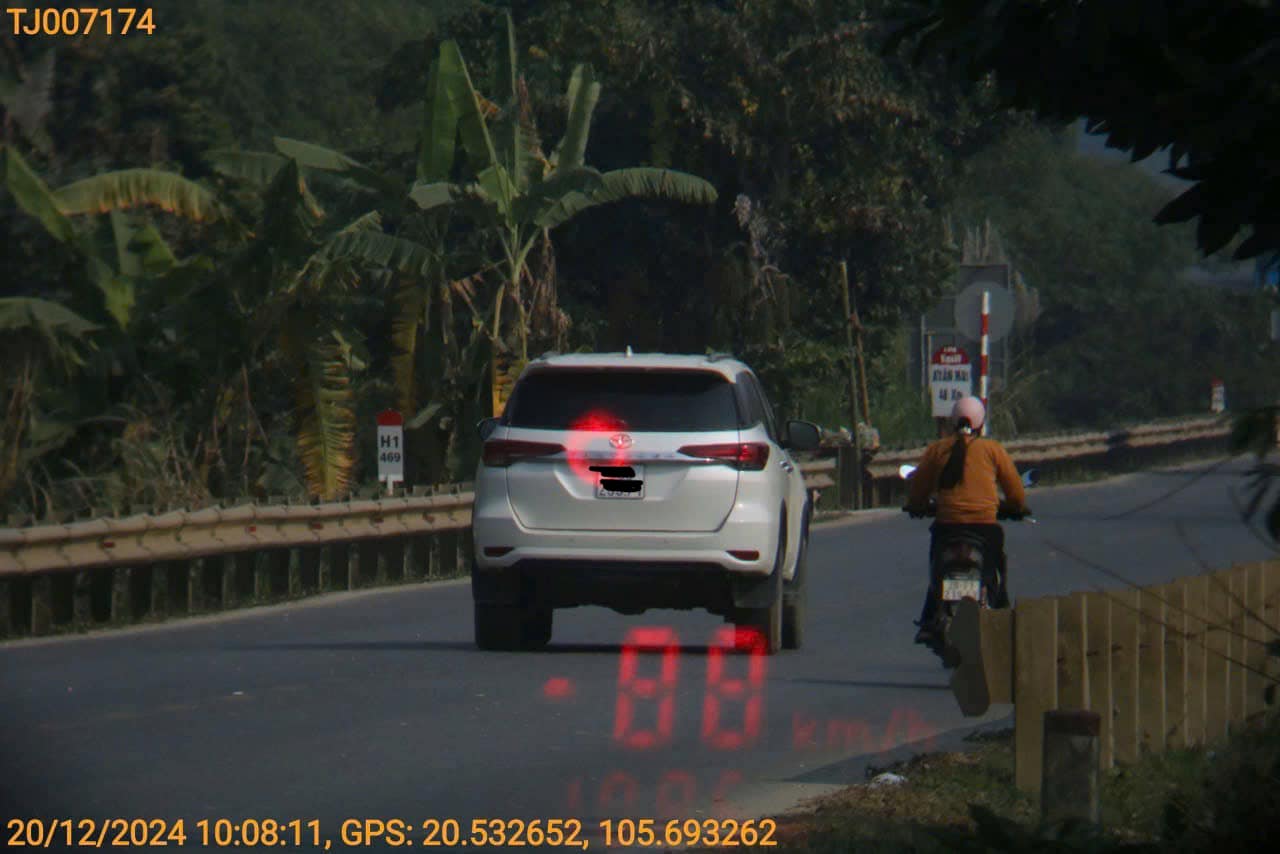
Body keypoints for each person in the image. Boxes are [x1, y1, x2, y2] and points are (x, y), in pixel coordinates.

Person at [904, 396, 1029, 645]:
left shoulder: (937, 450)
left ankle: (930, 617)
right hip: (984, 529)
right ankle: (1000, 606)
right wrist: (1016, 507)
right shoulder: (992, 450)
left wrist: (917, 506)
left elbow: (918, 489)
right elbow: (1015, 491)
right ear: (981, 425)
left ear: (952, 422)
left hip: (947, 529)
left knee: (936, 570)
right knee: (994, 569)